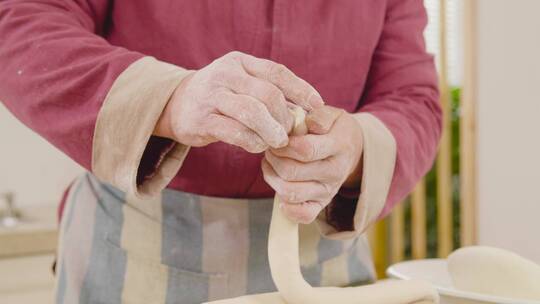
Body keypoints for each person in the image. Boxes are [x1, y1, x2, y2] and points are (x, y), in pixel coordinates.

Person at [0, 1, 441, 303]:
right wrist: (170, 98)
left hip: (324, 265)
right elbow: (21, 22)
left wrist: (355, 150)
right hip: (131, 256)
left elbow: (413, 97)